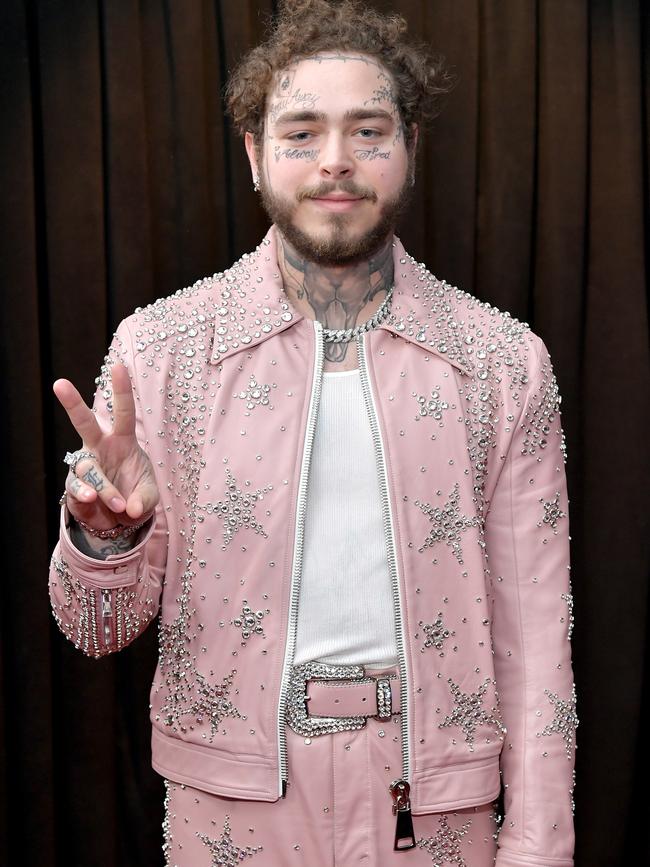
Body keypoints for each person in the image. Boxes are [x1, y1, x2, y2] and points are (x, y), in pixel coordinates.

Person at [48, 1, 577, 864]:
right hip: (234, 809)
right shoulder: (162, 350)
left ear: (410, 149)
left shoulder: (504, 364)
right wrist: (107, 539)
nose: (336, 161)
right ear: (256, 154)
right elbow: (95, 630)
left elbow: (538, 647)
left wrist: (538, 848)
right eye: (301, 133)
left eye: (369, 130)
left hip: (437, 805)